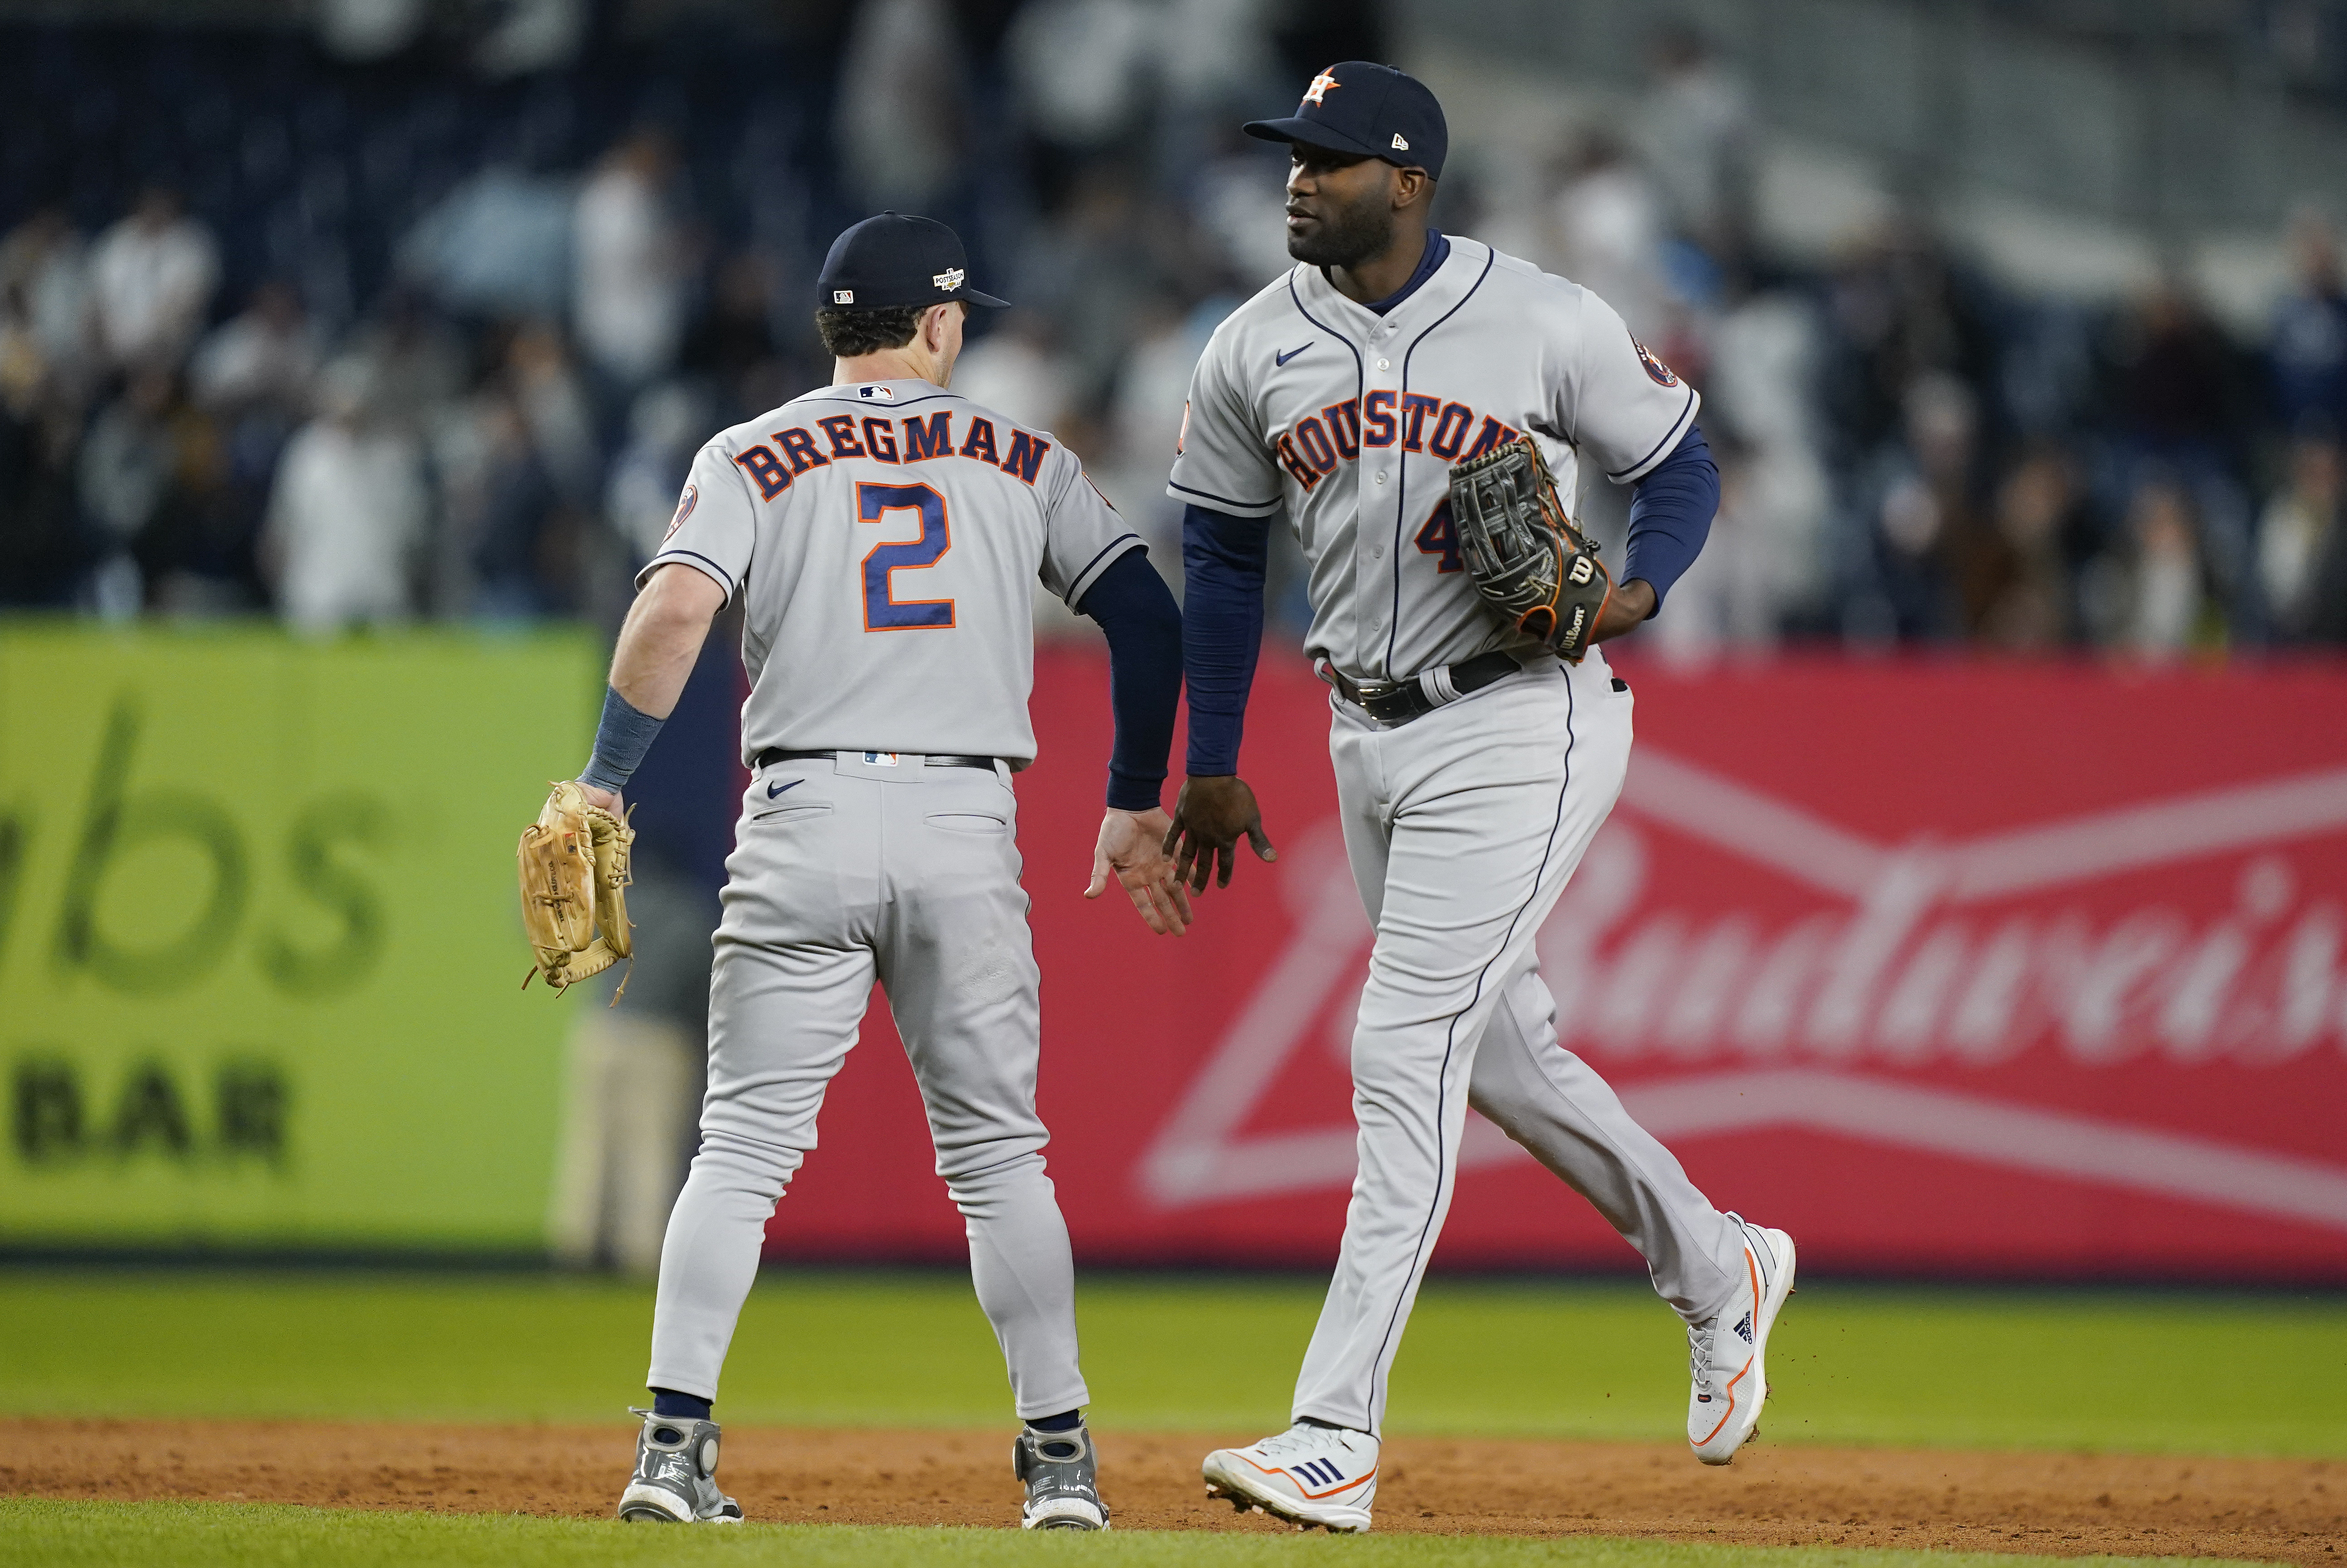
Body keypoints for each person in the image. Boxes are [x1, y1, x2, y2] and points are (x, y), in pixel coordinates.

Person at [1161, 63, 1796, 1533]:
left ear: (1409, 181)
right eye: (1292, 157)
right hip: (1361, 734)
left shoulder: (1548, 317)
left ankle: (1334, 1431)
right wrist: (1209, 756)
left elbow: (1681, 460)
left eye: (1328, 159)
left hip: (1526, 719)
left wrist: (1636, 589)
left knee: (1400, 1042)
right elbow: (1222, 560)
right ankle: (1722, 1265)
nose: (1298, 180)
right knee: (1497, 1055)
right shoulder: (1253, 345)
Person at [573, 213, 1187, 1529]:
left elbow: (676, 611)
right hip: (965, 819)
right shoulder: (1021, 454)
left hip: (802, 807)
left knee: (737, 1148)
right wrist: (1133, 795)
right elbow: (1145, 612)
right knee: (1001, 1162)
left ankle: (674, 1450)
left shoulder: (749, 450)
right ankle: (1062, 1463)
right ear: (940, 324)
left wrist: (603, 780)